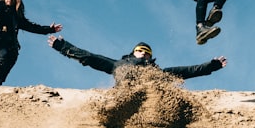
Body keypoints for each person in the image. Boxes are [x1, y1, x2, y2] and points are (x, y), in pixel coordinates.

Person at [47, 35, 227, 81]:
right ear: (133, 52)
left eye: (147, 51)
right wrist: (62, 46)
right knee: (94, 58)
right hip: (126, 87)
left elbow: (188, 71)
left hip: (149, 87)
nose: (144, 52)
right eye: (140, 50)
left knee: (175, 74)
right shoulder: (119, 65)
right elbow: (89, 57)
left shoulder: (157, 72)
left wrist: (212, 66)